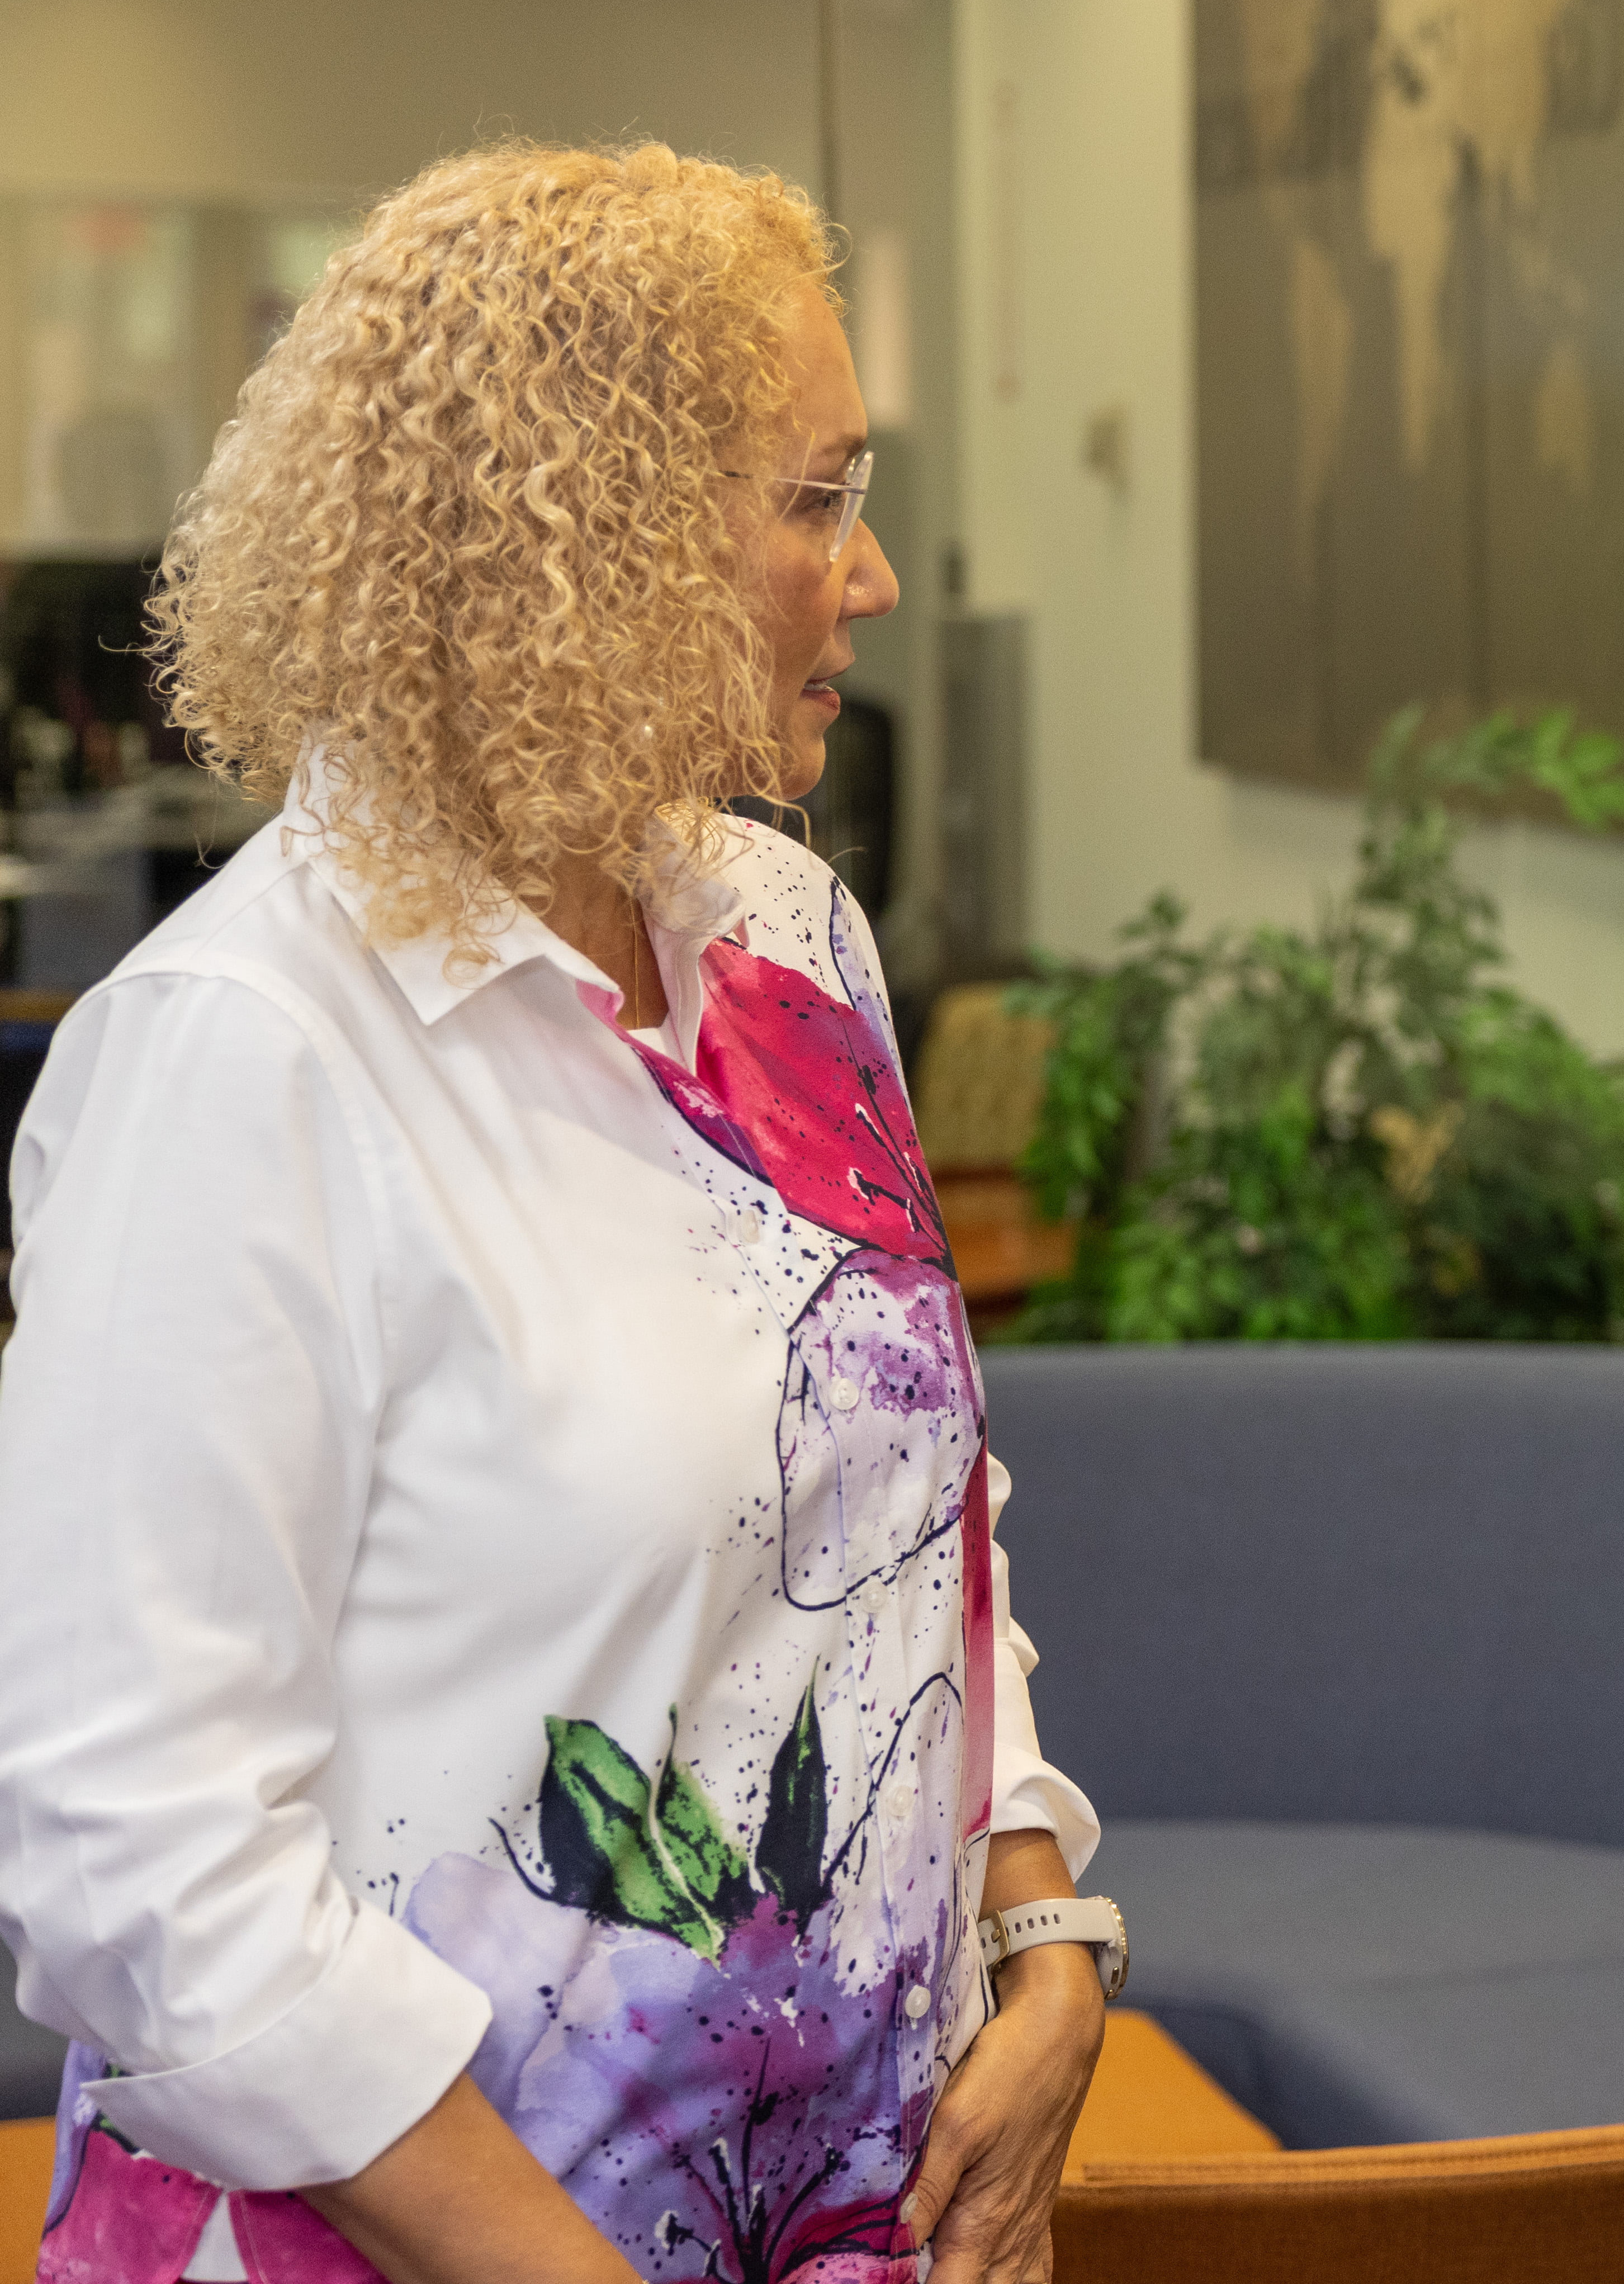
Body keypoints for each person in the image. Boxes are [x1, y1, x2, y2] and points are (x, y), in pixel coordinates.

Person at [0, 145, 1125, 2284]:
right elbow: (141, 1867)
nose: (872, 576)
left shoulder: (784, 936)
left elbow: (914, 1521)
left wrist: (1041, 1918)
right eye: (817, 497)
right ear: (588, 543)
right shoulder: (245, 1052)